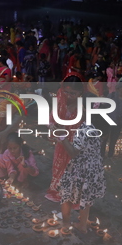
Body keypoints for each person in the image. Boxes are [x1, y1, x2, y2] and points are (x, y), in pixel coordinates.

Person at [57, 121, 106, 234]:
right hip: (93, 167)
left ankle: (66, 224)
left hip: (81, 167)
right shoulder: (91, 126)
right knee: (86, 196)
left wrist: (61, 135)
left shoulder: (83, 129)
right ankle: (82, 225)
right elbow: (82, 147)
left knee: (67, 194)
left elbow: (73, 152)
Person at [45, 73, 85, 202]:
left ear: (80, 93)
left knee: (70, 169)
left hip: (73, 144)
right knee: (58, 166)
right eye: (67, 92)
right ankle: (57, 189)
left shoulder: (81, 110)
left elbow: (78, 132)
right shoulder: (61, 101)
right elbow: (51, 118)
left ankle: (69, 193)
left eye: (73, 93)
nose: (69, 96)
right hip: (61, 142)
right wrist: (51, 126)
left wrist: (63, 133)